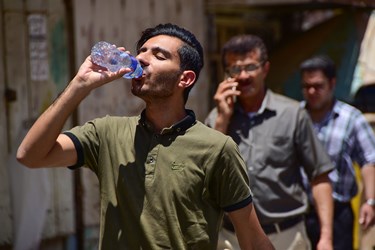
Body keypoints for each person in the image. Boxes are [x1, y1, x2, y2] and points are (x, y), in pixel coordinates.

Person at [16, 23, 274, 250]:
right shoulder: (106, 133)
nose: (142, 59)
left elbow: (252, 239)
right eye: (141, 51)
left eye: (158, 55)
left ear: (185, 78)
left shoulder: (217, 147)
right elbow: (30, 156)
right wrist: (79, 85)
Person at [205, 34, 334, 250]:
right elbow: (205, 175)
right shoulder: (216, 118)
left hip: (286, 237)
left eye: (250, 67)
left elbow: (319, 177)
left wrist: (326, 238)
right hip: (232, 238)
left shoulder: (293, 114)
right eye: (235, 69)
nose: (243, 76)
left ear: (265, 69)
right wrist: (222, 120)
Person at [299, 55, 375, 250]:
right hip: (299, 214)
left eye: (318, 86)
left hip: (339, 215)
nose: (312, 91)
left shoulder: (351, 118)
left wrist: (370, 201)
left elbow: (369, 160)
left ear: (332, 83)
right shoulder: (295, 116)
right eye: (307, 87)